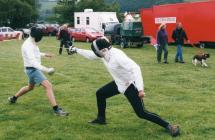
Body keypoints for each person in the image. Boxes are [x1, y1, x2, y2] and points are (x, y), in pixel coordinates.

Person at [69, 37, 180, 137]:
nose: (96, 53)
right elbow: (92, 55)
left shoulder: (117, 57)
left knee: (141, 113)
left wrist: (140, 89)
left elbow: (135, 68)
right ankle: (101, 119)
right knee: (100, 93)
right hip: (119, 83)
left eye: (96, 51)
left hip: (130, 85)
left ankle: (169, 126)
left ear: (103, 50)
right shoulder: (105, 53)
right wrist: (76, 50)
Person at [8, 26, 69, 116]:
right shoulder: (27, 46)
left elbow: (35, 53)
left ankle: (14, 98)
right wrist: (47, 70)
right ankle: (56, 110)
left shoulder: (31, 41)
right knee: (48, 86)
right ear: (36, 37)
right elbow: (33, 62)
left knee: (30, 87)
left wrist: (44, 54)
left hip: (31, 69)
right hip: (32, 69)